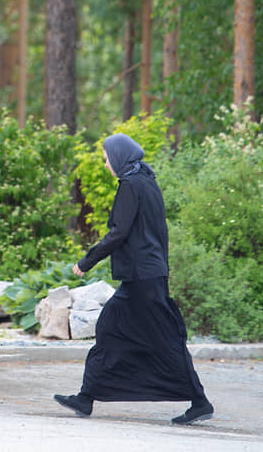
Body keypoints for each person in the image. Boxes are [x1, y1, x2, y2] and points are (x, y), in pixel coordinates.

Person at [53, 133, 214, 424]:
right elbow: (158, 232)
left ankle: (200, 401)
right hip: (148, 275)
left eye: (106, 158)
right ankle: (86, 396)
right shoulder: (147, 181)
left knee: (162, 339)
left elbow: (119, 232)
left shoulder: (130, 185)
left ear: (118, 157)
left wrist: (86, 261)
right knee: (112, 331)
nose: (105, 164)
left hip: (143, 279)